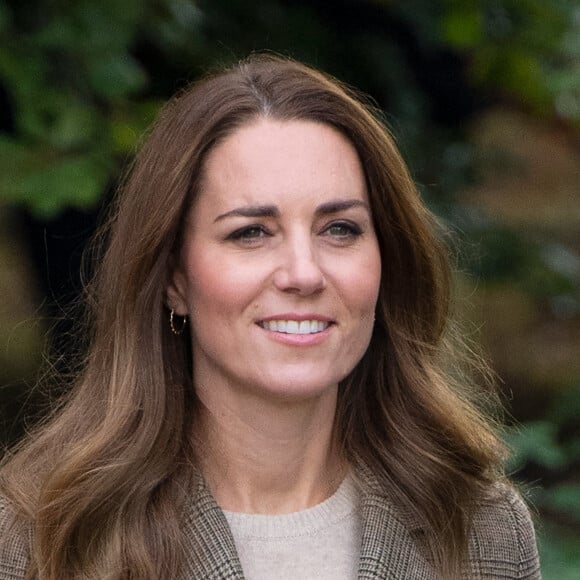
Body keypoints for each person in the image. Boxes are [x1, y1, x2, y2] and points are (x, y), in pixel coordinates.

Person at [0, 54, 540, 579]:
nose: (303, 274)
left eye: (340, 229)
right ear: (173, 278)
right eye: (251, 233)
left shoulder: (480, 527)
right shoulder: (40, 536)